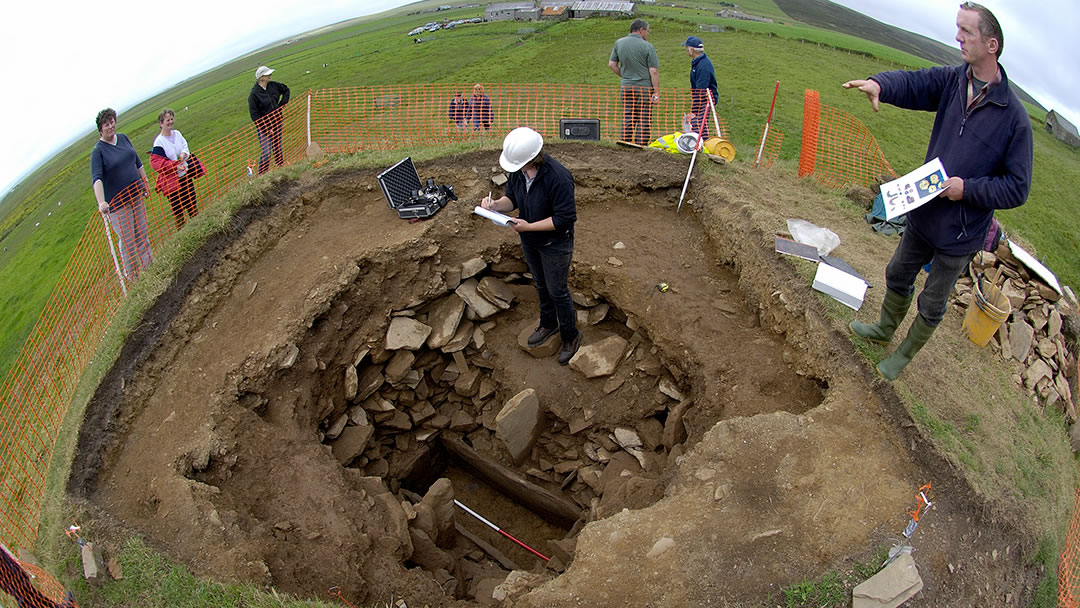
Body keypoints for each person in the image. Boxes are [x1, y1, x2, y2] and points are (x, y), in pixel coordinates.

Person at [842, 2, 1032, 380]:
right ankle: (884, 329)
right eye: (958, 28)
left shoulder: (1015, 119)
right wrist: (881, 84)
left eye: (966, 31)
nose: (957, 37)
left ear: (991, 45)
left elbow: (1017, 188)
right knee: (898, 272)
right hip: (925, 209)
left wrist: (967, 190)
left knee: (932, 301)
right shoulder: (953, 81)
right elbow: (915, 84)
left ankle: (902, 357)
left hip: (961, 231)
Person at [480, 127, 582, 365]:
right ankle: (548, 324)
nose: (516, 168)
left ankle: (571, 336)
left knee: (557, 290)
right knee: (541, 284)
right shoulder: (518, 172)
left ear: (533, 157)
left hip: (556, 243)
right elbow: (512, 199)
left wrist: (529, 227)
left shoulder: (558, 177)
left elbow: (564, 219)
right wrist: (495, 205)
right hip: (530, 241)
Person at [91, 108, 153, 281]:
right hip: (118, 205)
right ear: (100, 129)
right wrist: (101, 202)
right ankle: (134, 278)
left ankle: (151, 268)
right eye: (106, 124)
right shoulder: (98, 152)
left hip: (136, 195)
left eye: (112, 122)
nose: (110, 126)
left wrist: (145, 182)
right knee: (127, 242)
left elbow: (137, 162)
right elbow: (97, 179)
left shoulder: (124, 138)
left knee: (142, 234)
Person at [609, 19, 660, 146]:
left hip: (626, 86)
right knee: (644, 116)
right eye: (647, 31)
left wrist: (625, 76)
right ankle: (641, 144)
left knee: (628, 115)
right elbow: (653, 71)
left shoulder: (619, 43)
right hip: (644, 88)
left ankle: (625, 142)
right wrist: (656, 92)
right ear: (641, 30)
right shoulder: (647, 46)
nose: (648, 34)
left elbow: (612, 64)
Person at [149, 109, 198, 229]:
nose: (170, 122)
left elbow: (185, 146)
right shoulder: (159, 142)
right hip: (172, 181)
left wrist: (184, 154)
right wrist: (174, 165)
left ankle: (197, 226)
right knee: (178, 209)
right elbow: (157, 163)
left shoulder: (177, 134)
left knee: (191, 202)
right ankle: (182, 232)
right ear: (161, 123)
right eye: (167, 120)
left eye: (171, 119)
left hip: (184, 175)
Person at [248, 65, 290, 174]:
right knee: (266, 153)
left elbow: (286, 90)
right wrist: (266, 129)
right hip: (264, 127)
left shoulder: (273, 85)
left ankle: (281, 169)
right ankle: (262, 175)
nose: (270, 75)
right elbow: (254, 115)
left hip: (277, 122)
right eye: (267, 74)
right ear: (261, 77)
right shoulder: (254, 94)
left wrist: (281, 105)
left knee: (277, 147)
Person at [683, 35, 717, 138]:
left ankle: (702, 143)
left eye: (687, 47)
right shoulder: (698, 62)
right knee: (699, 125)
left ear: (692, 49)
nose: (686, 50)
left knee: (699, 126)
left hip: (704, 100)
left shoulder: (703, 65)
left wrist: (694, 111)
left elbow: (701, 90)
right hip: (701, 100)